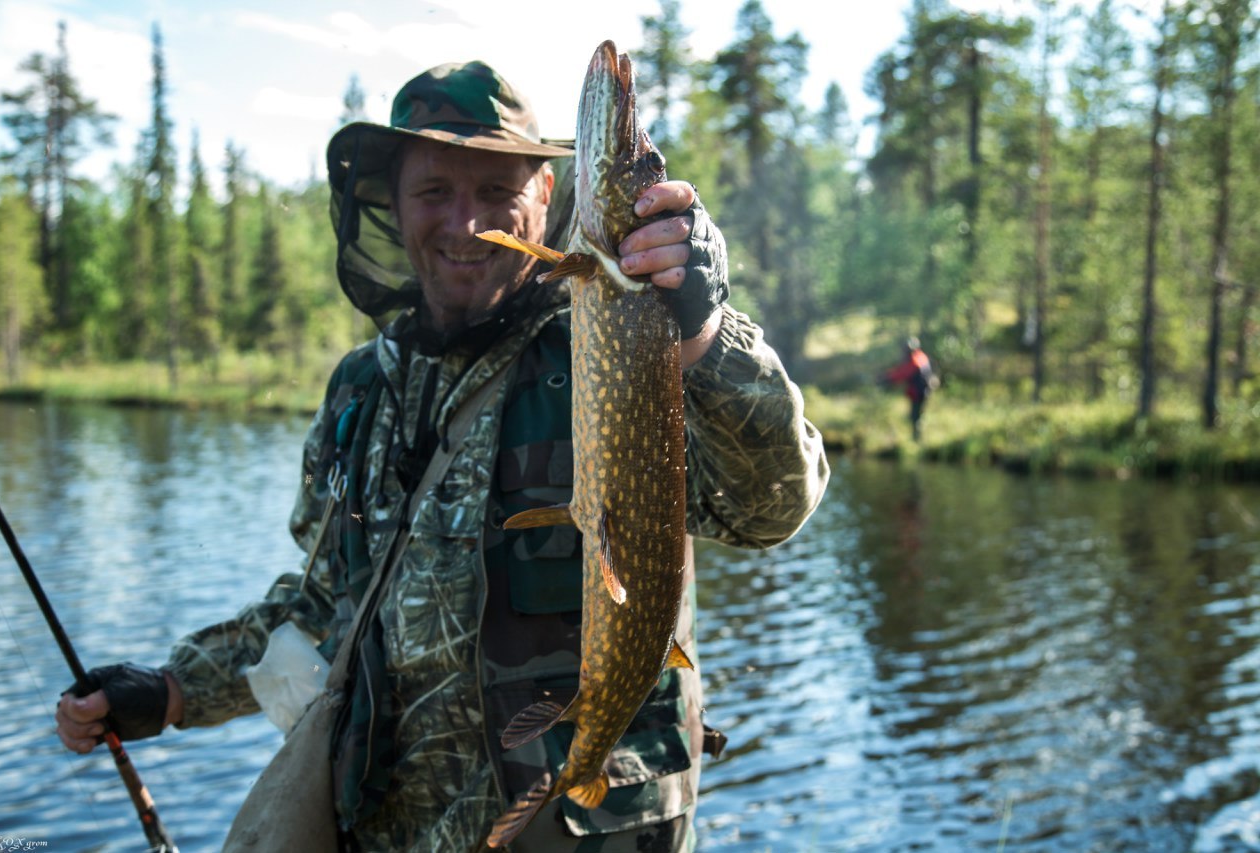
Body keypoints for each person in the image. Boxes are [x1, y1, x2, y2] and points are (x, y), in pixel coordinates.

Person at [55, 60, 828, 852]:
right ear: (392, 205)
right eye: (434, 192)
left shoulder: (617, 347)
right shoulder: (361, 389)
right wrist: (176, 689)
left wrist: (701, 327)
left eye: (497, 193)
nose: (465, 223)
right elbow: (326, 604)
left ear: (546, 201)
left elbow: (772, 505)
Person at [881, 336, 935, 442]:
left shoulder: (916, 359)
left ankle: (917, 440)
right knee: (916, 416)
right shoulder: (921, 356)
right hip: (922, 392)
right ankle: (917, 439)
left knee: (915, 417)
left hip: (918, 393)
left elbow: (903, 373)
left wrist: (887, 378)